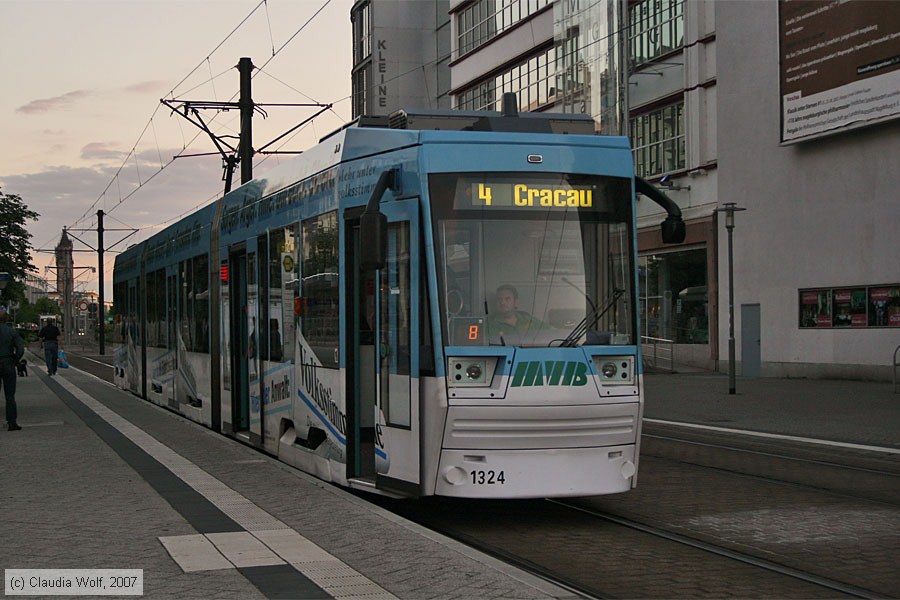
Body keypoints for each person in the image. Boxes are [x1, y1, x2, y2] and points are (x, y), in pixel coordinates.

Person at [0, 309, 26, 431]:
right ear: (6, 319)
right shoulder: (12, 332)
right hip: (8, 364)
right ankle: (12, 422)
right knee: (10, 395)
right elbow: (20, 349)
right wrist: (15, 360)